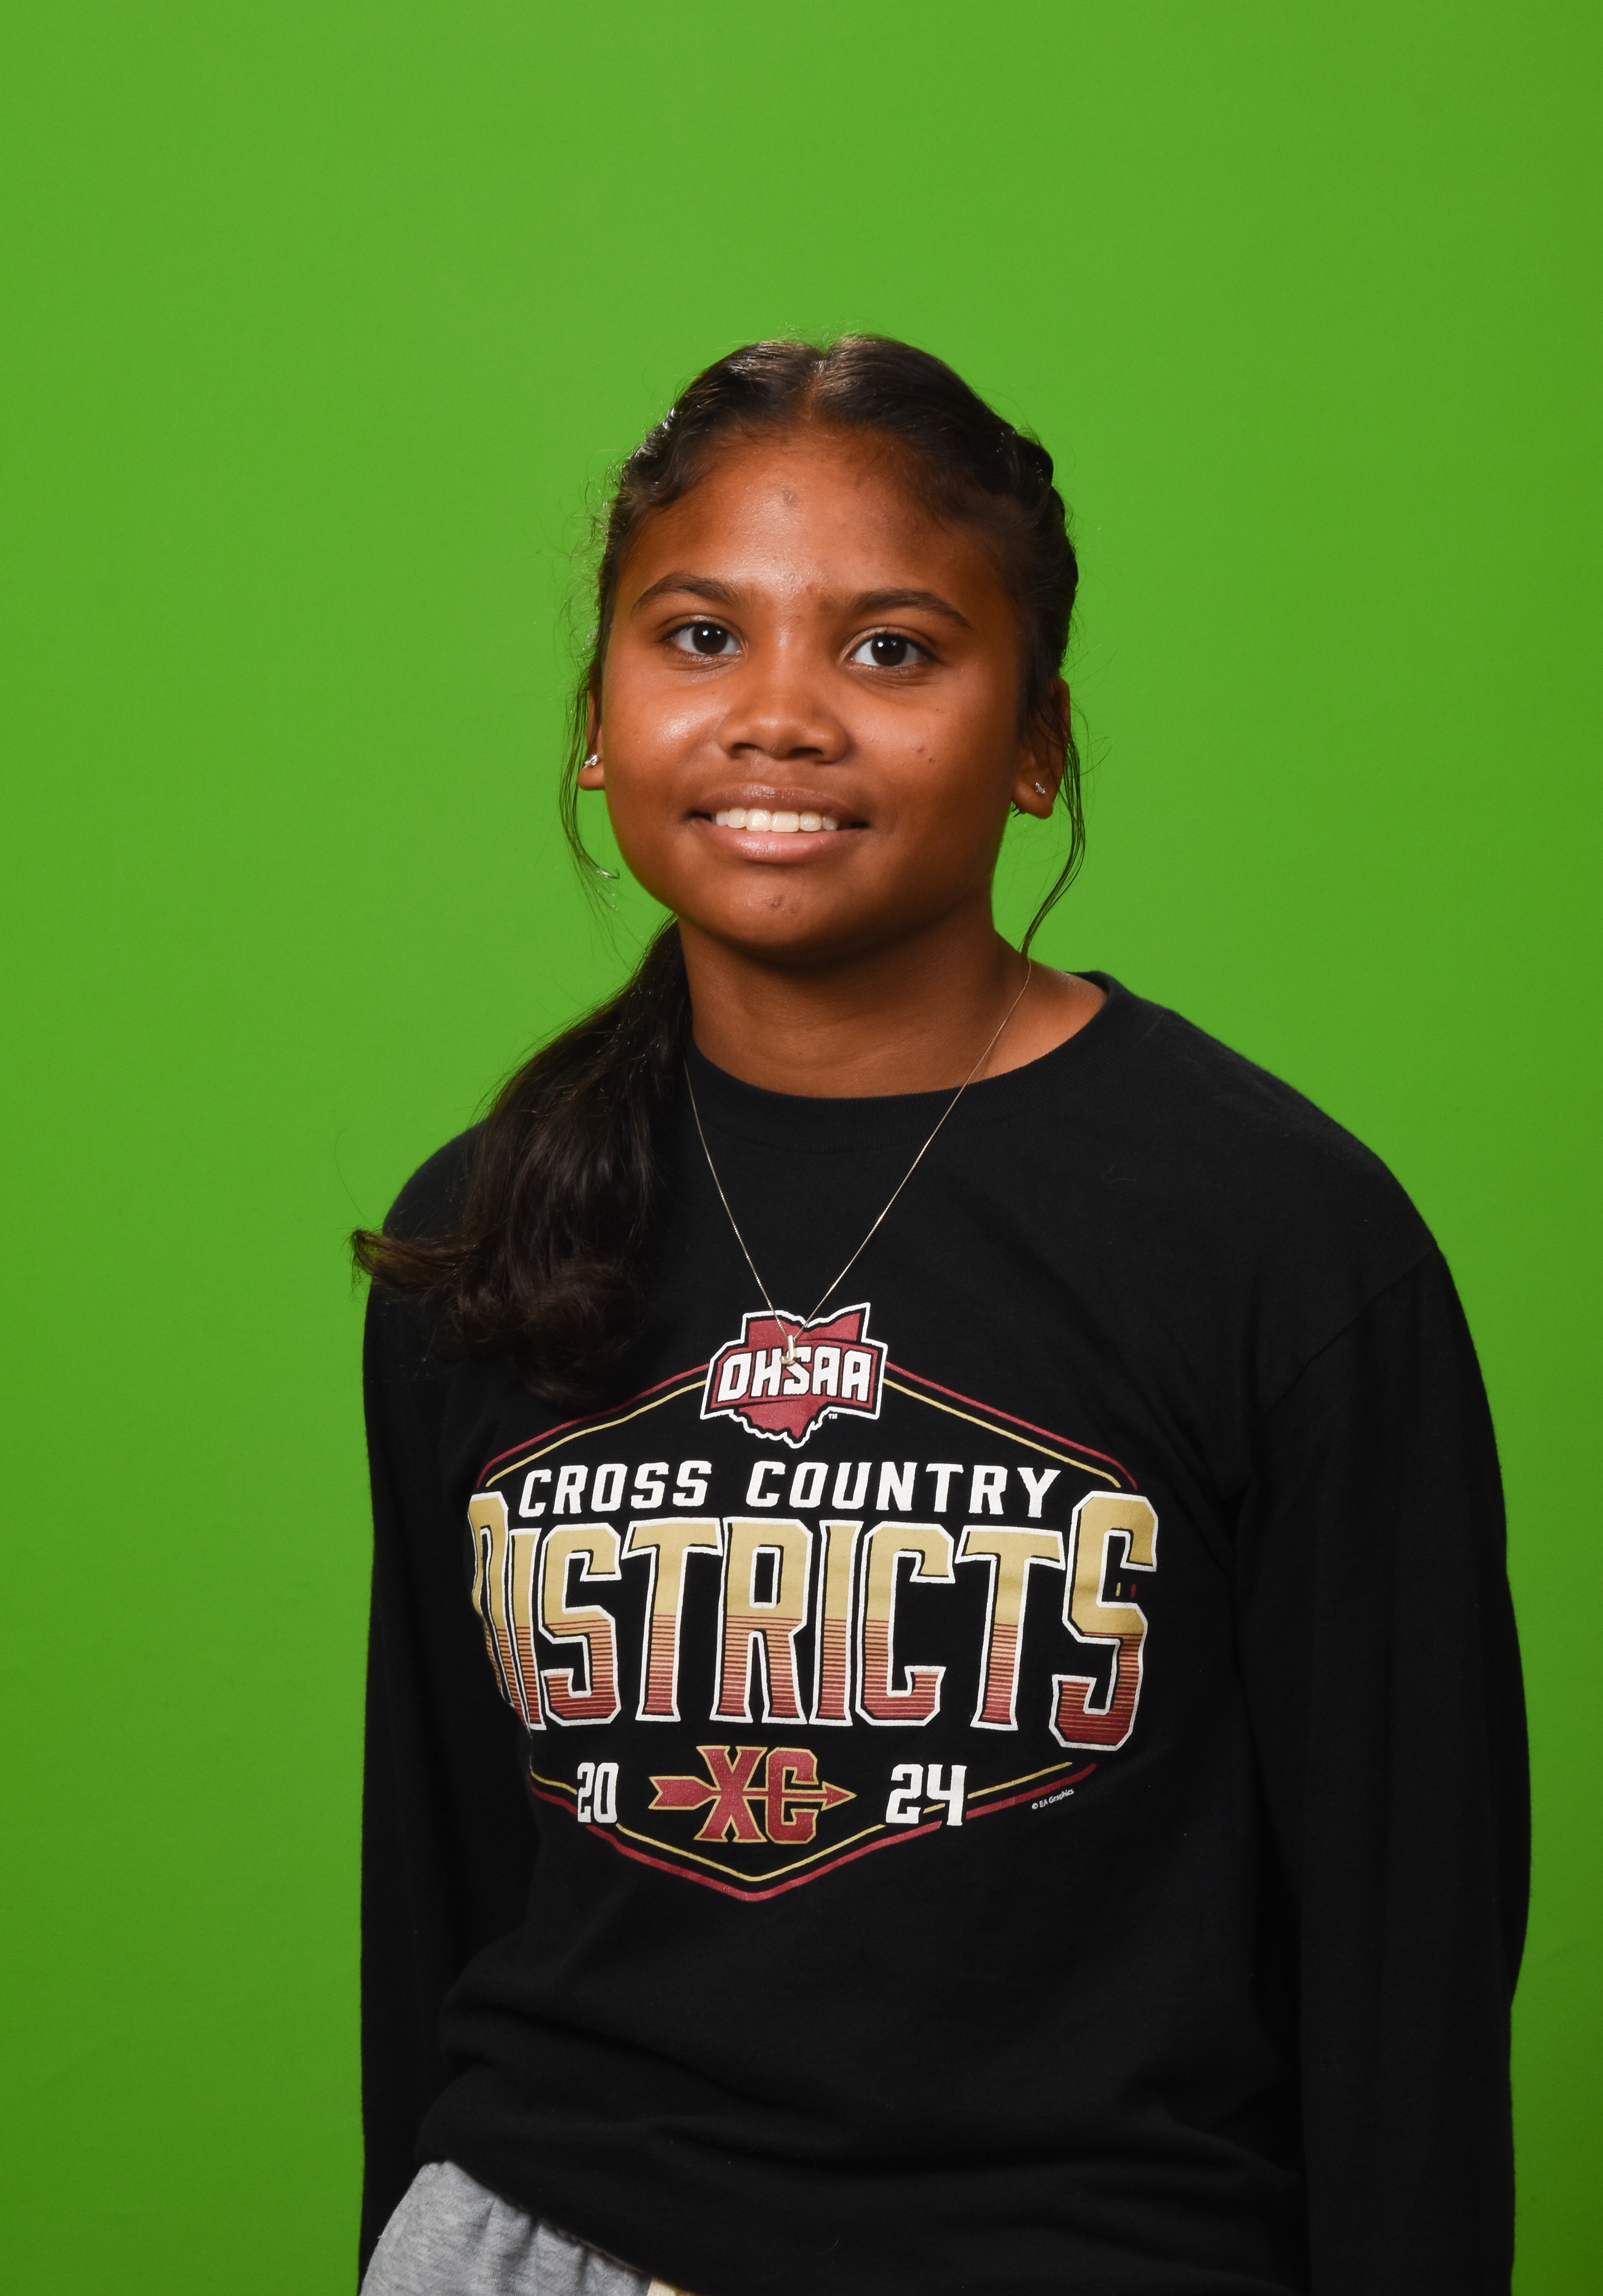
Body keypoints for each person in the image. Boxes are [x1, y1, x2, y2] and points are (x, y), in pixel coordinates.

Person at [354, 337, 1527, 2296]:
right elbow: (444, 1890)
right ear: (598, 718)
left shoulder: (1276, 1239)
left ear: (1039, 739)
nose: (780, 717)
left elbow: (1409, 1957)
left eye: (892, 649)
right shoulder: (487, 1229)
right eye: (700, 637)